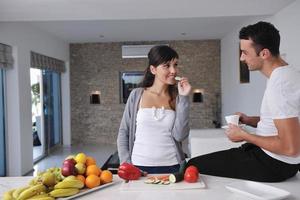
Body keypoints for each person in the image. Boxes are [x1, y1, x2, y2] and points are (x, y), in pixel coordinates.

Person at [187, 21, 300, 182]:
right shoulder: (287, 73)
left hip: (273, 163)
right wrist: (250, 121)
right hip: (276, 159)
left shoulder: (279, 85)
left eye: (245, 52)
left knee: (193, 165)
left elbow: (290, 148)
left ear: (264, 53)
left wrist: (245, 135)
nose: (241, 58)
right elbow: (285, 121)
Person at [117, 45, 192, 174]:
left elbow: (180, 135)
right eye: (167, 66)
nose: (173, 70)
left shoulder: (177, 98)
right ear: (153, 69)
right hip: (138, 166)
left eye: (175, 65)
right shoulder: (136, 95)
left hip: (172, 166)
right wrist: (126, 164)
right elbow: (124, 132)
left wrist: (184, 98)